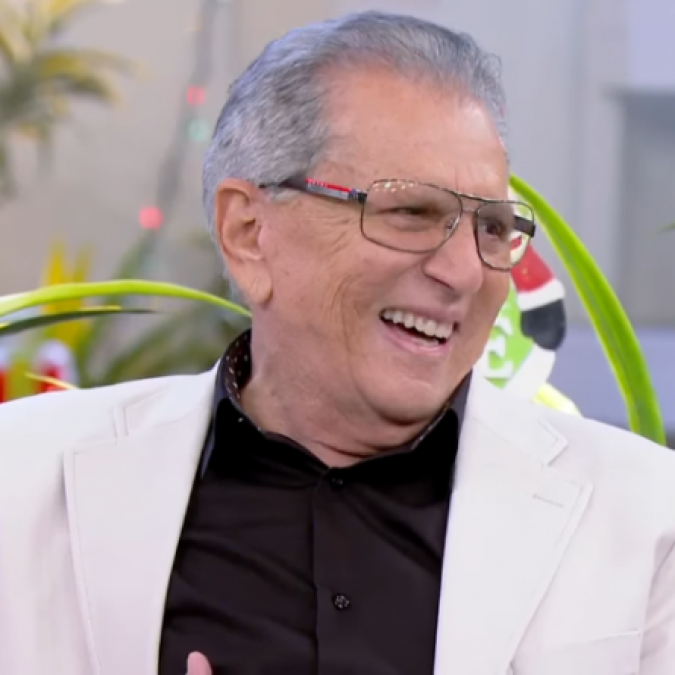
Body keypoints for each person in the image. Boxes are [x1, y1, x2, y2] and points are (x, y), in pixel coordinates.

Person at [0, 10, 673, 675]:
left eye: (492, 228)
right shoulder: (22, 476)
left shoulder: (645, 518)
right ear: (248, 233)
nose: (464, 272)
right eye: (410, 211)